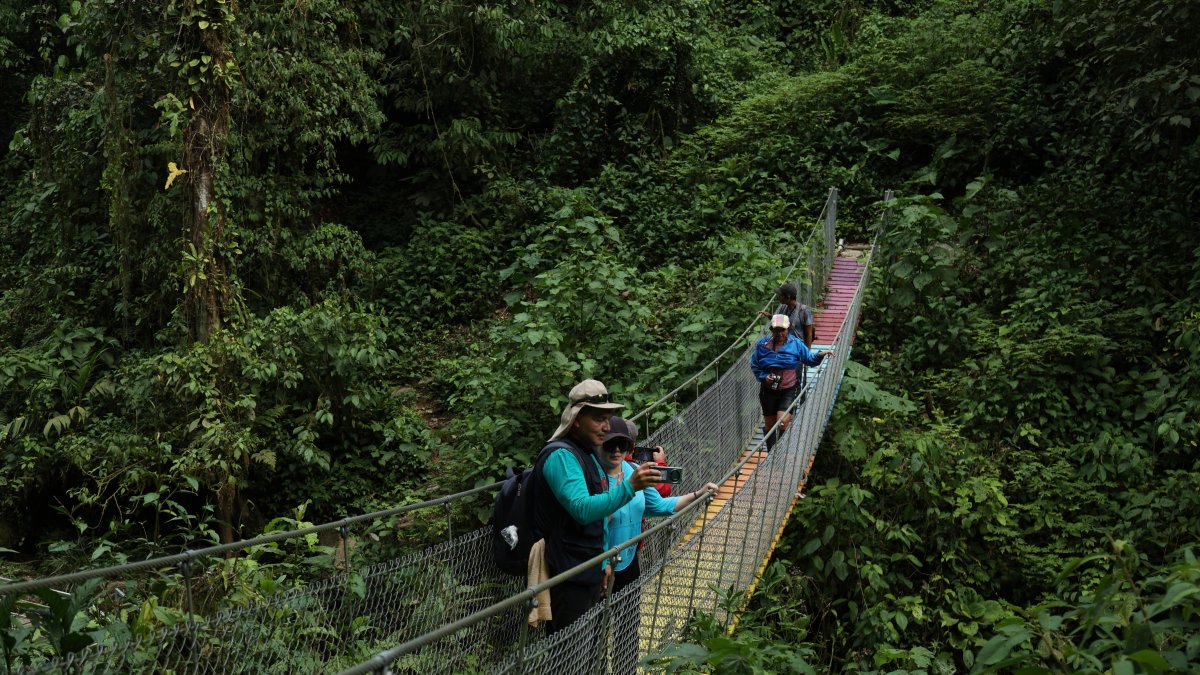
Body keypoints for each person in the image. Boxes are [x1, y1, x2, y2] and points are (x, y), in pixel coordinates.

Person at [529, 379, 663, 635]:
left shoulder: (587, 454)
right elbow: (583, 509)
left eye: (609, 418)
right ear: (577, 419)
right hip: (568, 576)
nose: (606, 426)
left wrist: (603, 563)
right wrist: (629, 487)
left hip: (588, 571)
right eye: (599, 418)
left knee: (588, 653)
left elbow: (598, 520)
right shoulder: (561, 456)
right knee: (571, 655)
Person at [598, 417, 718, 674]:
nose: (616, 450)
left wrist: (698, 494)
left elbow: (659, 506)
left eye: (623, 444)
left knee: (628, 626)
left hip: (628, 562)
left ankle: (624, 670)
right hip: (599, 569)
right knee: (595, 632)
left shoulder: (632, 471)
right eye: (610, 444)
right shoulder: (590, 476)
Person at [750, 314, 833, 451]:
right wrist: (764, 377)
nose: (779, 333)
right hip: (768, 390)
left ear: (788, 330)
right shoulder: (762, 345)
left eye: (782, 330)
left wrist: (819, 355)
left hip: (789, 389)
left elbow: (809, 359)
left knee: (782, 423)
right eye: (776, 330)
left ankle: (780, 452)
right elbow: (754, 365)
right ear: (771, 330)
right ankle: (772, 455)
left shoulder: (796, 344)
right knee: (770, 427)